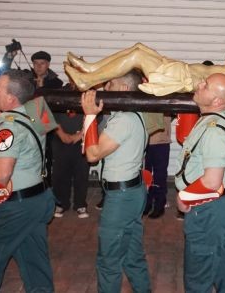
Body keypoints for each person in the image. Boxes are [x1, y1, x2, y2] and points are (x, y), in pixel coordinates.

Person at [0, 69, 56, 293]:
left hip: (15, 205)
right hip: (38, 198)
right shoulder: (36, 112)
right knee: (33, 258)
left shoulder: (8, 127)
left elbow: (2, 173)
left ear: (11, 98)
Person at [80, 70, 151, 293]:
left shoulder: (123, 120)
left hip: (121, 197)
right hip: (132, 191)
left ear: (122, 89)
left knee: (109, 261)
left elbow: (92, 155)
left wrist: (90, 116)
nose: (104, 90)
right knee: (132, 256)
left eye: (109, 84)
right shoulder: (135, 113)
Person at [174, 73, 225, 292]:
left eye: (206, 85)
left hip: (208, 208)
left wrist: (185, 197)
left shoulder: (214, 131)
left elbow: (212, 181)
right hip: (213, 207)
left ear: (218, 102)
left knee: (198, 278)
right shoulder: (208, 122)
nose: (200, 84)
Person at [64, 41, 225, 100]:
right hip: (186, 70)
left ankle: (87, 81)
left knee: (139, 55)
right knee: (139, 47)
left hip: (189, 79)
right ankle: (91, 68)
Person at [51, 84, 89, 219]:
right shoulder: (61, 93)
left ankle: (80, 204)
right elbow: (51, 115)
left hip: (82, 139)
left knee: (81, 174)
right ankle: (61, 203)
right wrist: (61, 134)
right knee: (60, 174)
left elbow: (94, 118)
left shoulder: (89, 95)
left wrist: (79, 136)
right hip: (60, 139)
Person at [31, 50, 63, 187]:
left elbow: (51, 104)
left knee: (47, 158)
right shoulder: (26, 79)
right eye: (36, 63)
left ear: (48, 64)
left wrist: (41, 88)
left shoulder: (56, 82)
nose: (38, 67)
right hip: (28, 122)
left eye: (42, 63)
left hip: (46, 123)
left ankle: (46, 186)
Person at [143, 115, 172, 218]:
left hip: (161, 140)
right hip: (144, 140)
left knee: (160, 175)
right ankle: (147, 203)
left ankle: (159, 204)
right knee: (145, 175)